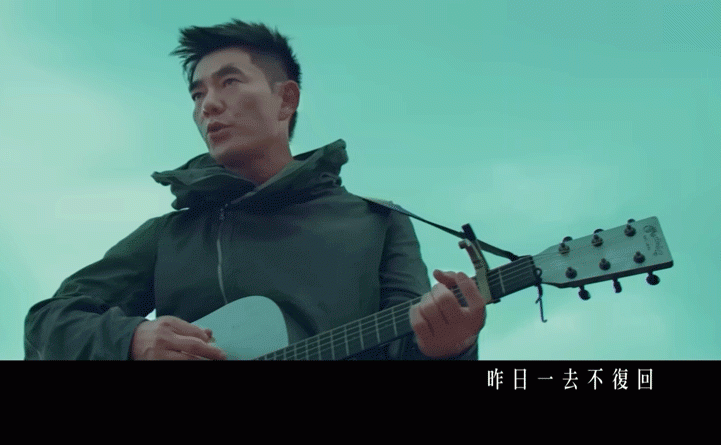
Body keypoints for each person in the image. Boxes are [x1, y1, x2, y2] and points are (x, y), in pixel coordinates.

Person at [24, 19, 485, 360]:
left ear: (286, 99)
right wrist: (131, 340)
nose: (209, 105)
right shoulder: (169, 236)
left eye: (229, 82)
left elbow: (410, 349)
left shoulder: (378, 223)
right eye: (197, 94)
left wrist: (453, 347)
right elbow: (45, 324)